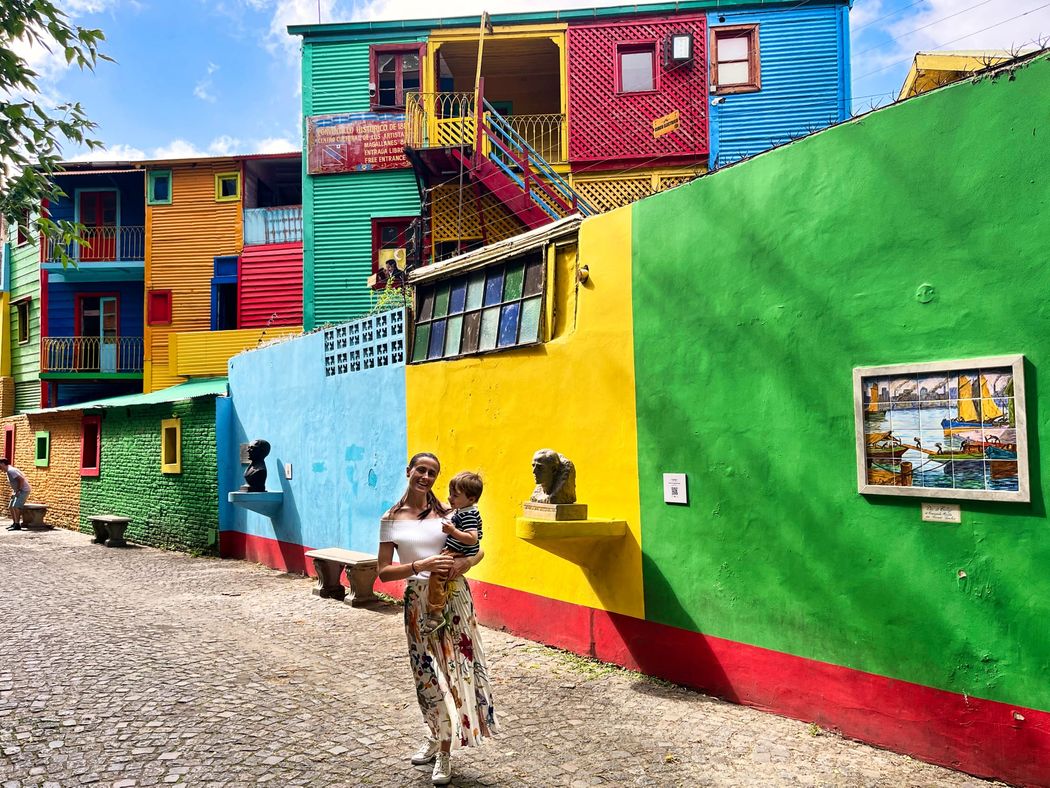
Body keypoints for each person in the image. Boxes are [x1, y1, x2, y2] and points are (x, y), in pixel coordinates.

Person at [377, 453, 498, 786]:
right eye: (421, 470)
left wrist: (466, 565)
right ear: (409, 472)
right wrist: (421, 565)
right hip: (417, 599)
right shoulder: (391, 519)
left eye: (432, 472)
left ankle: (446, 750)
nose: (426, 477)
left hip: (455, 596)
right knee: (425, 673)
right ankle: (436, 734)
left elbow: (478, 547)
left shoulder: (449, 511)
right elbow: (384, 572)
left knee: (456, 668)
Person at [423, 471, 483, 634]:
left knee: (437, 574)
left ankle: (436, 612)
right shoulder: (461, 511)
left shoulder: (468, 514)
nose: (450, 498)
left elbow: (473, 540)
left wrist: (452, 531)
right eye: (450, 494)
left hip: (457, 552)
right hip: (453, 551)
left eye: (455, 495)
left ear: (471, 499)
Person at [1, 458, 30, 531]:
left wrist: (18, 490)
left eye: (0, 466)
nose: (0, 469)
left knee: (16, 506)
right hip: (17, 490)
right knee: (11, 506)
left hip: (23, 490)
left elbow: (21, 479)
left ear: (3, 464)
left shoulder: (11, 471)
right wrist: (14, 491)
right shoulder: (9, 471)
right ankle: (14, 523)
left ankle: (17, 525)